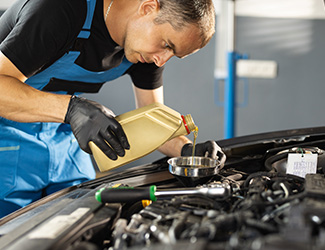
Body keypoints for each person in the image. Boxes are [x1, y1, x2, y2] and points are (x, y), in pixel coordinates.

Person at [0, 0, 225, 217]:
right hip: (6, 141)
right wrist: (70, 109)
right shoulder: (60, 8)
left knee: (85, 221)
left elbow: (153, 119)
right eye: (167, 45)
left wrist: (187, 152)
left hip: (64, 140)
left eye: (172, 55)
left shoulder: (145, 51)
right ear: (148, 8)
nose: (161, 61)